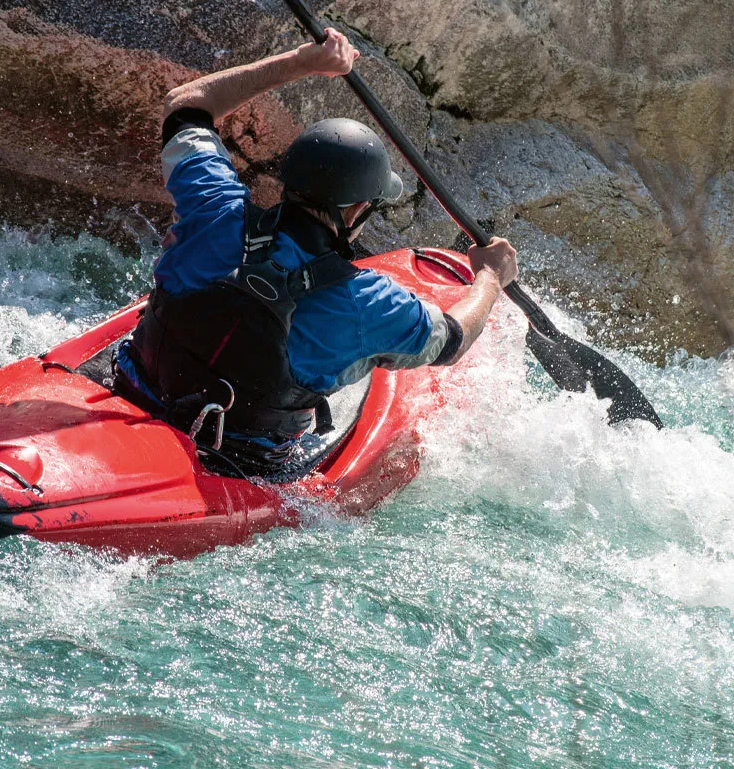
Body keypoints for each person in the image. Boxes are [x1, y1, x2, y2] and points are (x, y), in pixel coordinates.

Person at [114, 29, 518, 477]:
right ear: (357, 209)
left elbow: (187, 105)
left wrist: (303, 62)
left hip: (130, 390)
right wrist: (490, 279)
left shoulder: (215, 206)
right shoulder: (369, 304)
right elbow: (453, 340)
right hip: (237, 464)